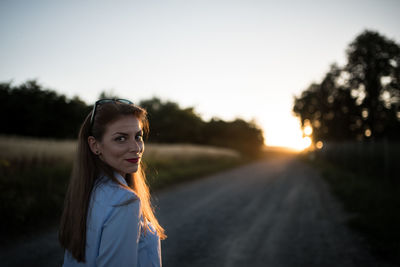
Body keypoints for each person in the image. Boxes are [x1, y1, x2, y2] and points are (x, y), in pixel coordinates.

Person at [59, 99, 166, 266]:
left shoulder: (87, 191)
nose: (136, 147)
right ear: (95, 145)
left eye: (138, 136)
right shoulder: (124, 201)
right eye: (121, 139)